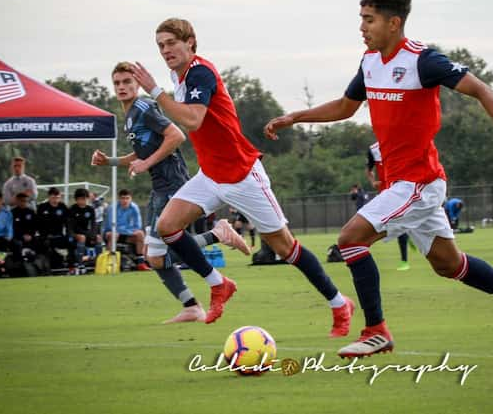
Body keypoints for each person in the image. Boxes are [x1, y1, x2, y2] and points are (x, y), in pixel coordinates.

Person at [264, 0, 493, 357]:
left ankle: (376, 330)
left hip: (418, 182)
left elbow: (480, 88)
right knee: (449, 265)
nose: (362, 27)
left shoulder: (422, 60)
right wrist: (297, 116)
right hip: (403, 184)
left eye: (369, 19)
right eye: (361, 19)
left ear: (393, 23)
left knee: (350, 240)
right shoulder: (369, 62)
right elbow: (346, 107)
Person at [127, 17, 353, 334]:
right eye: (160, 45)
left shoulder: (200, 72)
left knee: (285, 248)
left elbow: (192, 120)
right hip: (211, 176)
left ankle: (339, 304)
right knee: (167, 226)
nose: (166, 50)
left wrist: (153, 90)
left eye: (171, 43)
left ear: (190, 42)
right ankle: (219, 284)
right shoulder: (179, 76)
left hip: (242, 174)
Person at [92, 62, 249, 322]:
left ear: (137, 84)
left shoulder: (142, 107)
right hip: (159, 187)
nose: (122, 87)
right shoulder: (131, 115)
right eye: (117, 83)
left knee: (156, 254)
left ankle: (216, 235)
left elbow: (176, 135)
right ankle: (190, 305)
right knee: (153, 257)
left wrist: (146, 163)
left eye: (127, 82)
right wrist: (109, 161)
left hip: (172, 184)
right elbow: (142, 153)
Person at [366, 141, 410, 271]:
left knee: (398, 225)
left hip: (402, 190)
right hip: (385, 193)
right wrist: (373, 182)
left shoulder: (399, 143)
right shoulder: (373, 149)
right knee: (388, 225)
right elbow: (369, 170)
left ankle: (404, 261)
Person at [103, 189, 151, 270]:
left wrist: (126, 230)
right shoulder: (112, 208)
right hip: (112, 234)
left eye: (127, 198)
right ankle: (109, 262)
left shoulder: (134, 207)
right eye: (123, 198)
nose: (125, 200)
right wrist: (127, 230)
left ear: (131, 198)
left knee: (140, 234)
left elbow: (138, 226)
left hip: (127, 234)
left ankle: (141, 262)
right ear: (119, 199)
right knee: (113, 234)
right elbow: (111, 226)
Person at [67, 188, 101, 273]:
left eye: (85, 199)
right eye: (81, 199)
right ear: (76, 199)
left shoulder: (90, 209)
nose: (83, 201)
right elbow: (69, 226)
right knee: (82, 237)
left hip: (85, 233)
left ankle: (98, 262)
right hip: (74, 234)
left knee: (98, 238)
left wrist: (93, 235)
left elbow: (93, 224)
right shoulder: (72, 209)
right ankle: (80, 264)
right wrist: (72, 235)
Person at [36, 187, 71, 272]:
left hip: (58, 236)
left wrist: (69, 234)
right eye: (53, 198)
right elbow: (38, 224)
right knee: (44, 245)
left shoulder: (63, 207)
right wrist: (44, 235)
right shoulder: (42, 207)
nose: (55, 200)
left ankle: (70, 266)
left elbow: (68, 223)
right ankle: (45, 268)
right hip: (45, 236)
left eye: (57, 198)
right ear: (49, 197)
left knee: (72, 241)